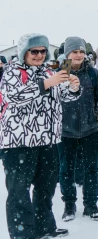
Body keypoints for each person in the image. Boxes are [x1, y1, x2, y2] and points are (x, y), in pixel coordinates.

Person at [0, 33, 81, 239]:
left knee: (45, 188)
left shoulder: (47, 71)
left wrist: (73, 87)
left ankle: (44, 227)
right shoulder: (12, 71)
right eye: (34, 51)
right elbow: (14, 96)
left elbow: (62, 95)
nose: (38, 55)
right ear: (23, 52)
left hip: (47, 140)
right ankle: (22, 234)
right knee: (19, 192)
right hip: (19, 142)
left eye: (42, 51)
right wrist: (47, 84)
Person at [59, 37, 98, 222]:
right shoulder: (59, 74)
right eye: (74, 52)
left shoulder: (94, 74)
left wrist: (97, 115)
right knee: (66, 170)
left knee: (91, 168)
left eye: (81, 51)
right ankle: (69, 206)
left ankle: (91, 205)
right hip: (65, 132)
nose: (78, 55)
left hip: (90, 130)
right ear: (67, 54)